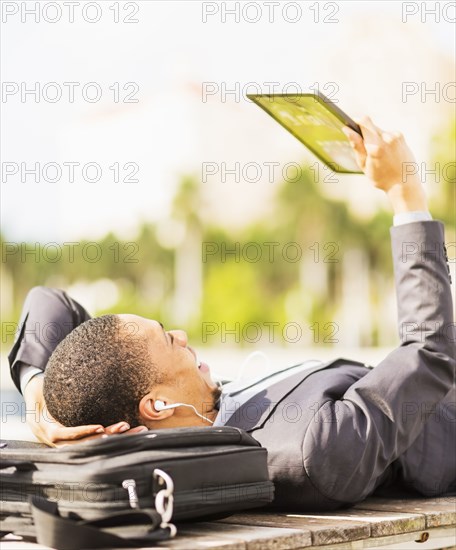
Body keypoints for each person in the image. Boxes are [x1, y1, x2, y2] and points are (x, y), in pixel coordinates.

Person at [8, 117, 455, 511]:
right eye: (167, 340)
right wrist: (404, 191)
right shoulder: (309, 448)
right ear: (158, 405)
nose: (182, 335)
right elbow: (429, 353)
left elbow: (51, 302)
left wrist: (38, 395)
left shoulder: (210, 410)